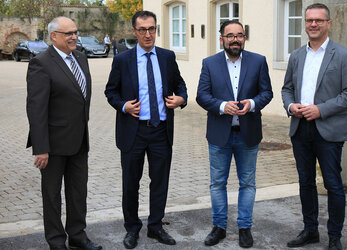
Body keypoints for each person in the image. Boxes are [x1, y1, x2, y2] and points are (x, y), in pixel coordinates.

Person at [104, 10, 187, 249]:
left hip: (161, 131)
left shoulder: (167, 57)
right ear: (134, 32)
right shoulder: (122, 60)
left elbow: (179, 84)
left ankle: (156, 226)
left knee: (159, 181)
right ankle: (132, 228)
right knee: (131, 183)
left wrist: (181, 98)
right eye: (142, 30)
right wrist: (123, 106)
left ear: (156, 29)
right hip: (134, 131)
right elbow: (111, 91)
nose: (148, 34)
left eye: (152, 29)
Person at [281, 3, 347, 250]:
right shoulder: (296, 56)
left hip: (328, 129)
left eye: (318, 20)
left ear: (328, 23)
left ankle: (334, 236)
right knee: (305, 182)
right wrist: (291, 106)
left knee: (332, 184)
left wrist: (320, 109)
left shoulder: (343, 55)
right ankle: (310, 230)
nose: (313, 24)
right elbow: (286, 89)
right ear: (304, 23)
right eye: (309, 20)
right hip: (300, 127)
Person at [26, 17, 102, 250]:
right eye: (67, 33)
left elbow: (81, 99)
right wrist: (41, 148)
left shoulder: (80, 57)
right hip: (53, 145)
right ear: (54, 36)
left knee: (78, 192)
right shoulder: (41, 63)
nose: (73, 37)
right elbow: (36, 109)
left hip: (80, 141)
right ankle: (56, 241)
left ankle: (78, 236)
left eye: (75, 32)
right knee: (52, 196)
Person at [196, 20, 273, 248]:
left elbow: (266, 92)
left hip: (248, 133)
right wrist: (221, 106)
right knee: (217, 183)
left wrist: (251, 103)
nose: (235, 39)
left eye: (239, 35)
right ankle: (219, 227)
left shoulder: (258, 61)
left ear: (244, 38)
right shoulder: (209, 63)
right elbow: (202, 95)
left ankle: (244, 228)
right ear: (222, 39)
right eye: (230, 35)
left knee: (247, 183)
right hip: (220, 134)